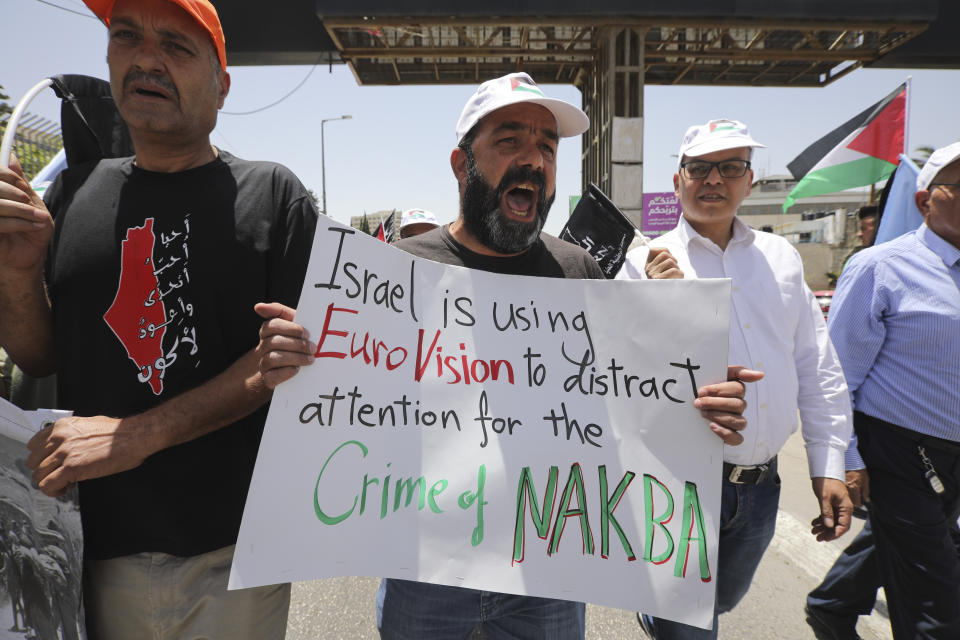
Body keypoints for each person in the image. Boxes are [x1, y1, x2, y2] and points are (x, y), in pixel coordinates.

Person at [256, 73, 760, 639]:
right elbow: (349, 406)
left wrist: (696, 403)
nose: (534, 160)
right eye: (509, 141)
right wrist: (296, 363)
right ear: (459, 164)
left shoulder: (580, 274)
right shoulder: (395, 272)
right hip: (428, 576)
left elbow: (625, 410)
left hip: (549, 574)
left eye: (547, 147)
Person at [0, 0, 317, 637]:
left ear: (223, 85)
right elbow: (42, 359)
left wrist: (135, 435)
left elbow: (289, 365)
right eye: (128, 37)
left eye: (177, 45)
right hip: (89, 554)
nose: (148, 58)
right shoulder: (70, 196)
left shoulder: (274, 197)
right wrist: (15, 275)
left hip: (232, 559)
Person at [617, 118, 854, 639]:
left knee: (724, 599)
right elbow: (616, 386)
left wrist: (829, 463)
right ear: (677, 180)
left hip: (761, 486)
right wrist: (657, 307)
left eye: (730, 167)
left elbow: (815, 367)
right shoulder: (642, 267)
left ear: (749, 180)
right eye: (699, 168)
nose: (713, 180)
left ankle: (658, 613)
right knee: (693, 626)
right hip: (677, 486)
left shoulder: (782, 260)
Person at [808, 141, 960, 640]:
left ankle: (832, 605)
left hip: (952, 455)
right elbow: (837, 374)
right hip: (899, 453)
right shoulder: (882, 267)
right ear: (924, 201)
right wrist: (845, 459)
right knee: (935, 606)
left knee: (898, 542)